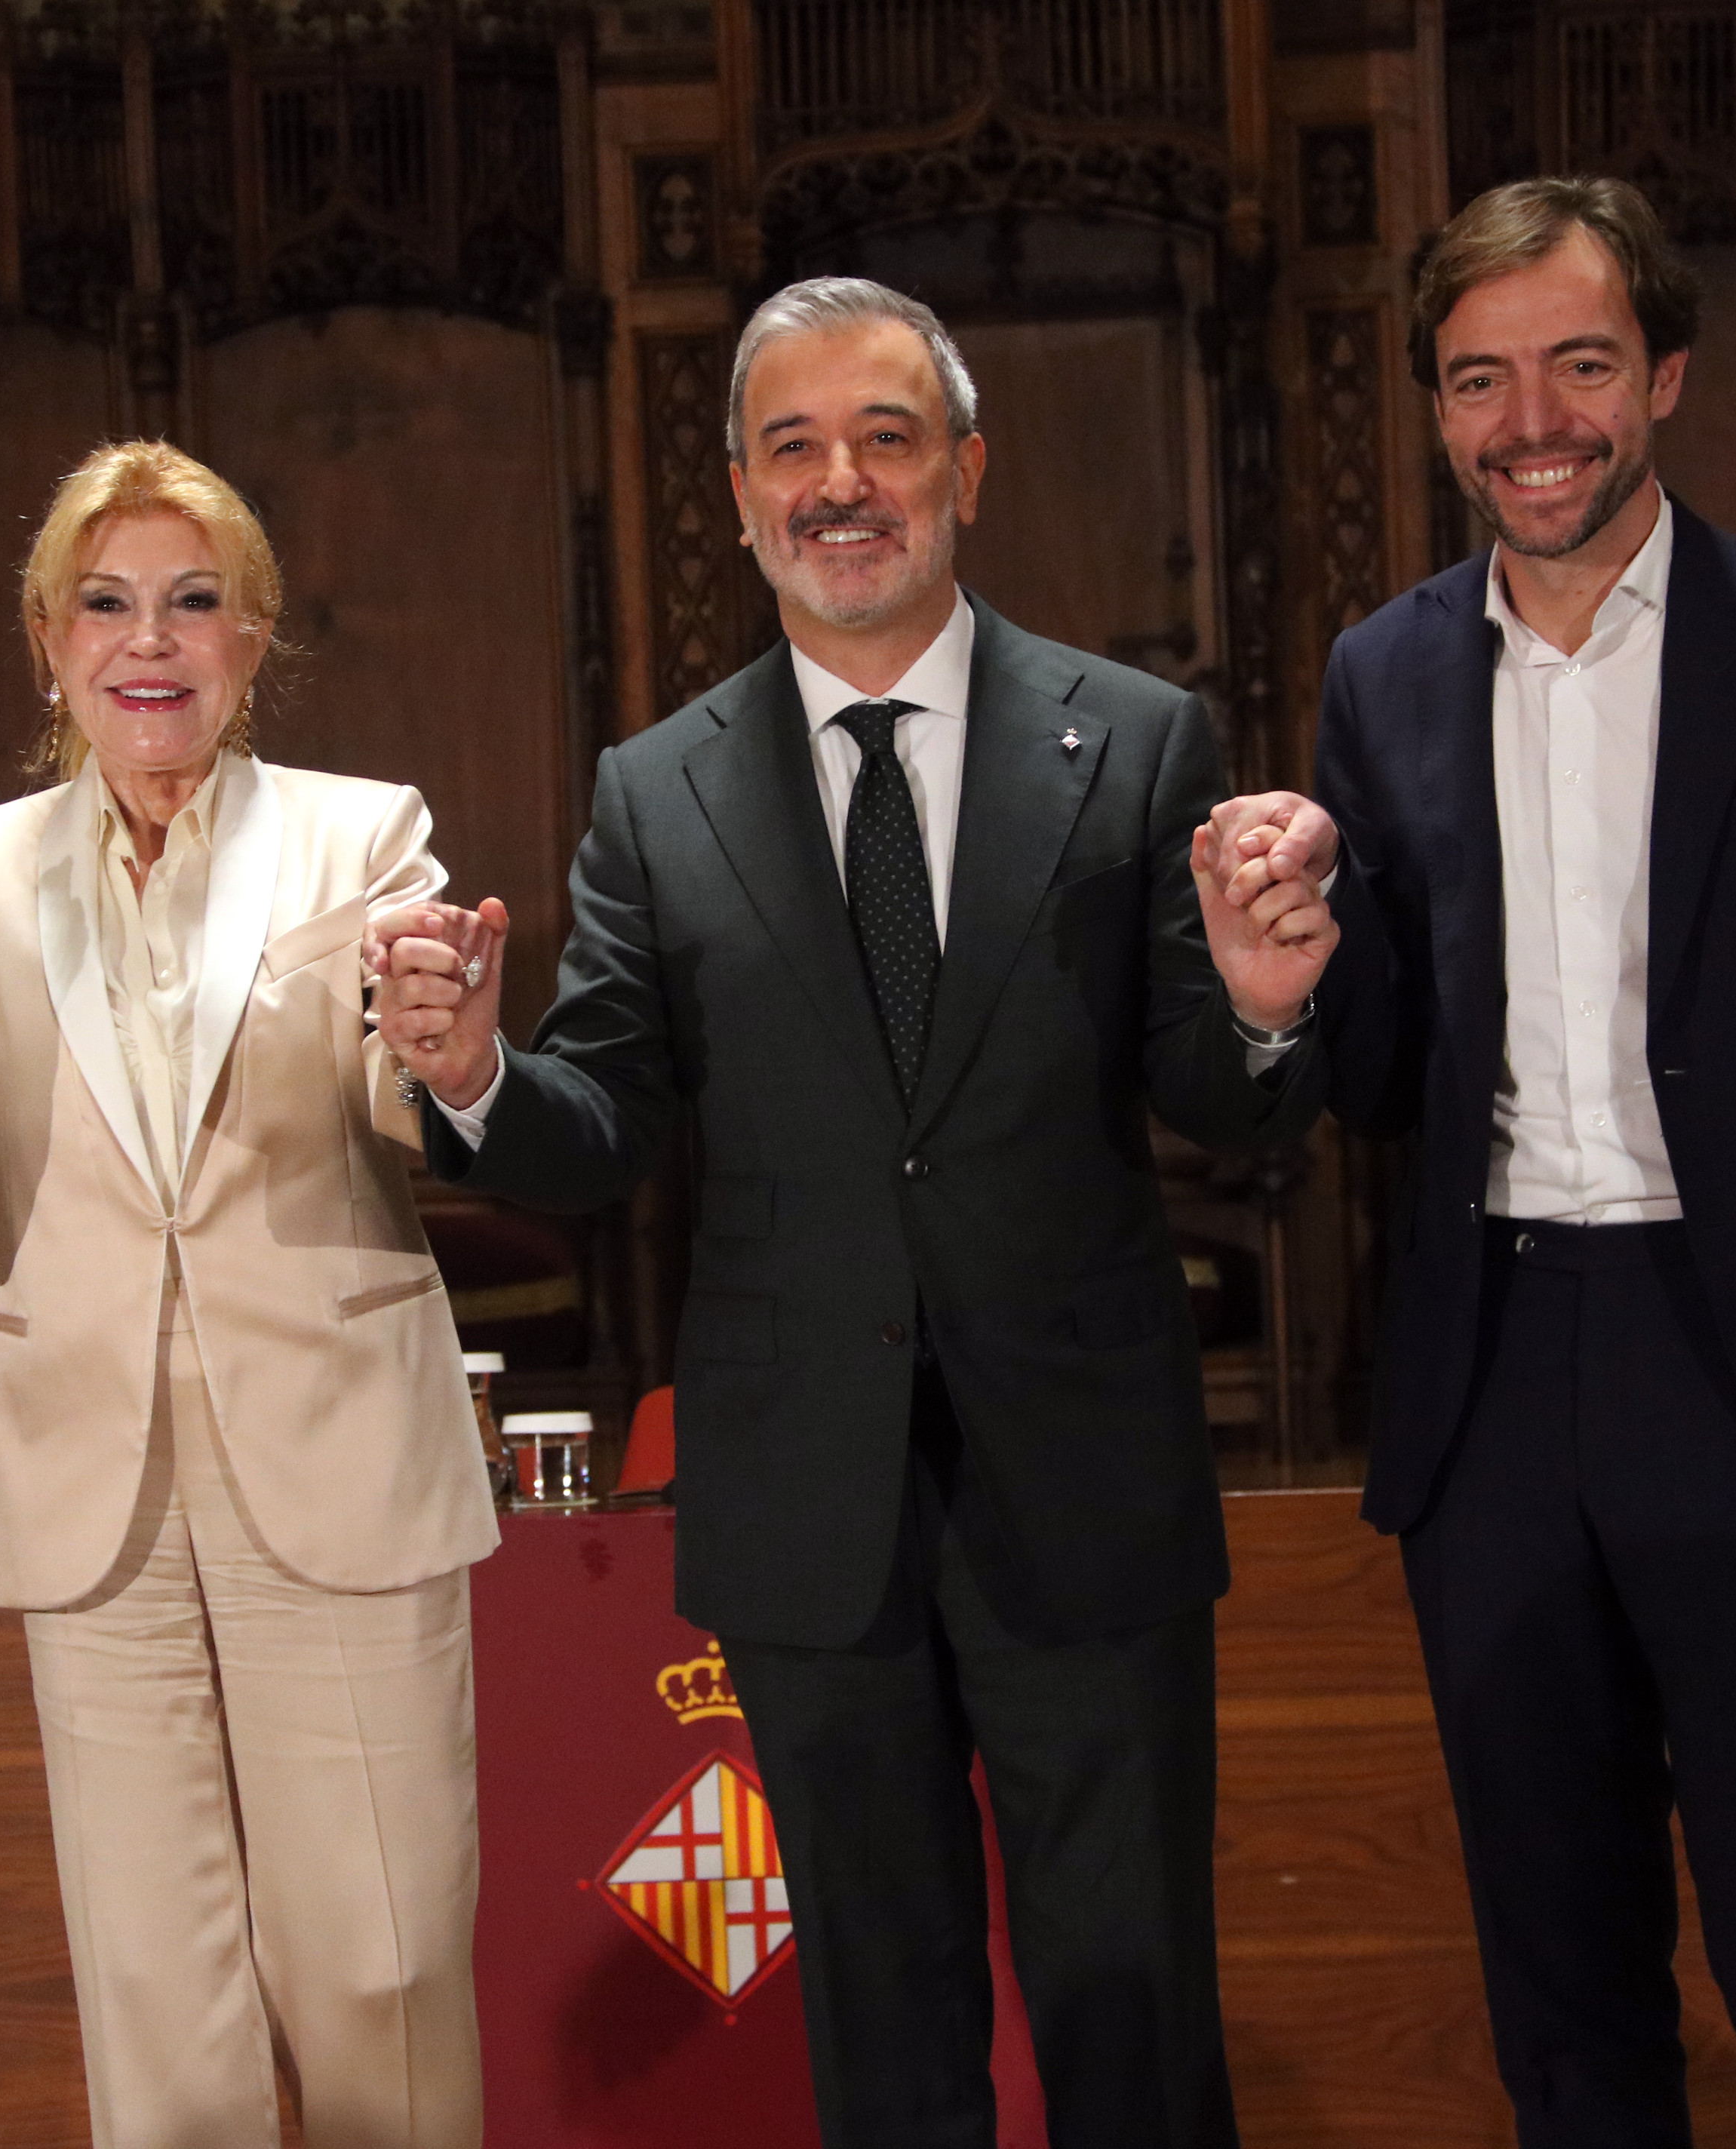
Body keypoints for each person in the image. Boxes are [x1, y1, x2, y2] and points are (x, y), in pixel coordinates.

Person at [372, 276, 1335, 2148]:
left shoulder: (1136, 740)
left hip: (1087, 1491)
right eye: (793, 448)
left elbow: (1225, 1110)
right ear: (737, 495)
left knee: (1133, 2006)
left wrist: (1266, 1002)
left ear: (966, 471)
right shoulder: (660, 792)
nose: (842, 484)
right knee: (885, 2039)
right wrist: (478, 1075)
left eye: (886, 438)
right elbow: (604, 1122)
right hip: (810, 1510)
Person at [1216, 175, 1736, 2147]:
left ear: (1664, 375)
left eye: (1580, 365)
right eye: (1482, 379)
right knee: (1558, 1985)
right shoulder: (1385, 675)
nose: (1535, 420)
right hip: (1495, 1391)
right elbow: (1368, 1080)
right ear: (1439, 413)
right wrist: (1279, 996)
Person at [0, 439, 496, 2149]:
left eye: (190, 601)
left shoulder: (361, 832)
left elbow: (410, 1075)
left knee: (378, 1960)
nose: (146, 640)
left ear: (251, 640)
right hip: (94, 1466)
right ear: (47, 638)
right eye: (105, 601)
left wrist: (447, 1047)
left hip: (336, 1443)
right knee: (155, 1998)